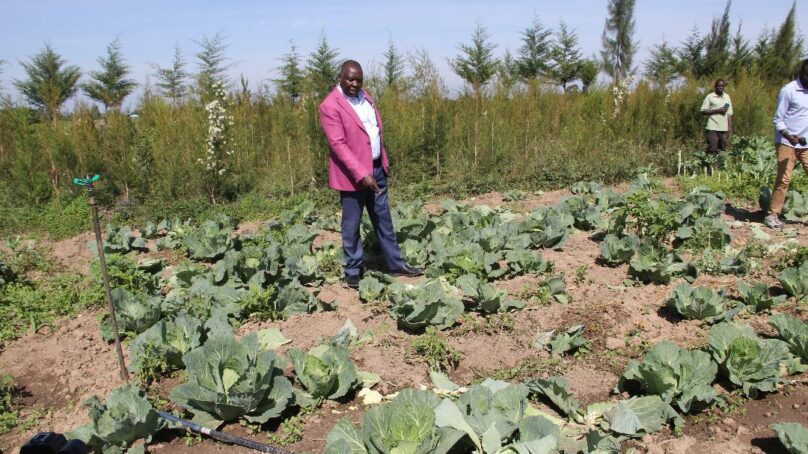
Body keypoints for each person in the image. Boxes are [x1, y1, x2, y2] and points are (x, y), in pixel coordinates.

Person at [319, 60, 422, 288]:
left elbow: (374, 132)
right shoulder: (330, 105)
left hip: (376, 168)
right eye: (350, 79)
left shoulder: (365, 97)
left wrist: (382, 161)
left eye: (359, 79)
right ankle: (353, 271)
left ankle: (396, 265)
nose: (355, 83)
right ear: (340, 77)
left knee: (383, 219)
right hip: (352, 175)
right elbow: (338, 144)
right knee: (352, 224)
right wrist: (361, 173)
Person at [764, 59, 808, 229]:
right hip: (786, 142)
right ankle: (772, 214)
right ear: (801, 74)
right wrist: (789, 136)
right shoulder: (788, 90)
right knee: (784, 178)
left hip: (805, 143)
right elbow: (778, 119)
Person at [700, 79, 734, 157]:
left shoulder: (727, 97)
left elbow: (729, 113)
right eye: (719, 85)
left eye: (722, 86)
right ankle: (709, 167)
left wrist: (730, 128)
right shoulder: (710, 97)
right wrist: (717, 110)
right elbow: (703, 111)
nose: (720, 87)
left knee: (722, 149)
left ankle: (719, 167)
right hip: (712, 126)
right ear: (715, 86)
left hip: (723, 127)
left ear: (724, 87)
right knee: (712, 147)